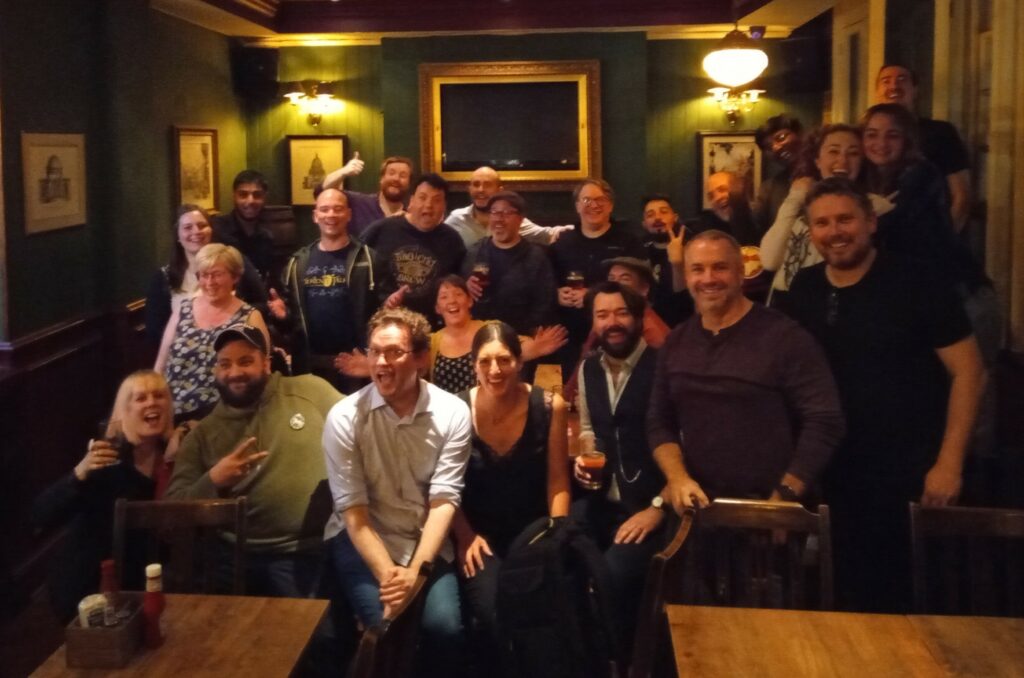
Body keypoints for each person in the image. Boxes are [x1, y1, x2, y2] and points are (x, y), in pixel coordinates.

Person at [787, 178, 985, 612]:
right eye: (822, 223)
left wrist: (949, 463)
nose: (834, 231)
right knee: (845, 593)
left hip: (912, 470)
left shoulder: (918, 280)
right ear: (810, 230)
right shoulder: (804, 288)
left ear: (870, 222)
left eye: (845, 219)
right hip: (836, 471)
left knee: (913, 598)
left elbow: (970, 372)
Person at [648, 230, 845, 513]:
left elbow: (825, 421)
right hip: (697, 510)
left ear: (741, 273)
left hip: (768, 513)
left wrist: (785, 496)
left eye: (720, 267)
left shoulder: (785, 337)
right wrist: (677, 479)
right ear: (687, 276)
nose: (708, 278)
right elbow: (658, 421)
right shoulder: (676, 341)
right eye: (697, 269)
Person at [323, 307, 471, 678]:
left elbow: (443, 501)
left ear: (421, 359)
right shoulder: (345, 417)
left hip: (424, 540)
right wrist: (394, 578)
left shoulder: (452, 412)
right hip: (363, 538)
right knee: (391, 628)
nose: (381, 362)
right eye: (374, 351)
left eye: (394, 352)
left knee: (446, 630)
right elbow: (354, 514)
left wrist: (417, 571)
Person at [165, 323, 342, 596]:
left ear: (266, 364)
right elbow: (172, 511)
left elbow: (364, 426)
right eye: (225, 364)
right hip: (233, 556)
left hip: (305, 552)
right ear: (215, 371)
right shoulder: (201, 435)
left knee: (321, 638)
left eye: (245, 361)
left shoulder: (311, 391)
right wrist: (213, 480)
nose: (234, 372)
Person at [451, 321, 570, 665]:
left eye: (504, 360)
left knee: (538, 609)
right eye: (485, 361)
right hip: (478, 537)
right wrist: (464, 536)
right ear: (473, 365)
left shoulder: (550, 406)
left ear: (519, 362)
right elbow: (445, 486)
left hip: (533, 532)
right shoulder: (456, 410)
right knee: (494, 611)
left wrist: (557, 534)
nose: (494, 370)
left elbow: (558, 482)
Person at [32, 371, 179, 619]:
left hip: (144, 584)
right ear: (124, 411)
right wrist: (79, 473)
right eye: (140, 398)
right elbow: (40, 515)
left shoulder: (173, 452)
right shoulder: (106, 458)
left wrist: (186, 428)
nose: (152, 402)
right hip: (91, 586)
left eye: (159, 396)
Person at [571, 282, 667, 663]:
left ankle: (632, 662)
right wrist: (583, 460)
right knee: (556, 556)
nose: (612, 323)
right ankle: (583, 660)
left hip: (650, 507)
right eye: (602, 314)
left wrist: (659, 506)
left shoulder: (663, 365)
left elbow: (684, 446)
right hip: (601, 501)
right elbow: (589, 430)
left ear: (640, 318)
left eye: (621, 313)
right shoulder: (588, 367)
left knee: (612, 573)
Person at [759, 124, 893, 308]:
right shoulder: (799, 201)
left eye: (853, 153)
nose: (842, 160)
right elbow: (769, 260)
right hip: (782, 302)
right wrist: (795, 198)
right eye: (833, 151)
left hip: (829, 303)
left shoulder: (875, 207)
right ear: (817, 160)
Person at [269, 187, 375, 394]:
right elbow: (291, 327)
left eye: (338, 209)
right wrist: (283, 316)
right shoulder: (297, 263)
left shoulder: (369, 260)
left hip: (356, 367)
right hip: (310, 367)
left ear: (349, 214)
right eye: (324, 210)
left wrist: (369, 359)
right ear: (315, 216)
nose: (331, 215)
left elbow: (380, 317)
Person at [155, 244, 269, 417]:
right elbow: (161, 365)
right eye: (204, 275)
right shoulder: (183, 310)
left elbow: (263, 372)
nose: (209, 283)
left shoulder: (250, 316)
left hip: (227, 417)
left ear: (235, 277)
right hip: (175, 415)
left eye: (217, 274)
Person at [549, 178, 646, 378]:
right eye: (586, 200)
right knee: (576, 395)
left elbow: (638, 289)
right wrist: (556, 294)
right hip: (573, 338)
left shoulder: (629, 242)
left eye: (600, 200)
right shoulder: (562, 243)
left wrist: (591, 295)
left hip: (617, 334)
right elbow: (547, 282)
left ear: (610, 205)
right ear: (577, 206)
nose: (593, 205)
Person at [145, 204, 267, 345]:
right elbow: (155, 332)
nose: (196, 231)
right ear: (177, 236)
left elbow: (262, 303)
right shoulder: (163, 278)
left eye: (202, 225)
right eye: (187, 227)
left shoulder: (235, 263)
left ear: (211, 231)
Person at [875, 64, 971, 230]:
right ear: (877, 92)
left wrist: (944, 240)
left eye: (902, 79)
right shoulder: (865, 135)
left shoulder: (941, 132)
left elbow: (961, 195)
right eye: (886, 81)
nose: (894, 85)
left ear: (915, 89)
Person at [360, 173, 467, 322]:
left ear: (444, 207)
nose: (428, 205)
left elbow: (458, 286)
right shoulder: (381, 230)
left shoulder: (453, 241)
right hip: (384, 324)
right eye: (422, 198)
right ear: (411, 201)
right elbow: (357, 276)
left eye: (436, 200)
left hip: (431, 329)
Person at [461, 191, 559, 335]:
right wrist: (465, 287)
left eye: (506, 213)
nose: (499, 219)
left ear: (520, 219)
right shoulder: (475, 252)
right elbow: (458, 293)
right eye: (494, 212)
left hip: (522, 338)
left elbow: (545, 306)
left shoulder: (536, 257)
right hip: (478, 336)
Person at [444, 166, 572, 247]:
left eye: (487, 185)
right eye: (476, 184)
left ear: (500, 190)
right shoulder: (456, 219)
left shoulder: (512, 220)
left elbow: (547, 234)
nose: (480, 190)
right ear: (469, 189)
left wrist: (578, 229)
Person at [321, 153, 413, 237]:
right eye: (391, 173)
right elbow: (327, 190)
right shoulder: (359, 203)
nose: (396, 178)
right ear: (381, 179)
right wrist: (344, 171)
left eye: (403, 175)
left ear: (409, 183)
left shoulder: (411, 215)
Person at [638, 194, 693, 327]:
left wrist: (677, 263)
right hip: (647, 327)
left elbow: (685, 299)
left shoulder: (692, 249)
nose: (657, 218)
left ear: (675, 218)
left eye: (663, 212)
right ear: (644, 224)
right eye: (650, 215)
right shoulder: (639, 252)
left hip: (683, 325)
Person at [213, 170, 275, 280]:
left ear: (265, 197)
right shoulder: (217, 231)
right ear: (234, 196)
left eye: (257, 195)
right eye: (243, 195)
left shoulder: (267, 237)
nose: (250, 201)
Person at [753, 114, 804, 231]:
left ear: (800, 134)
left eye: (781, 138)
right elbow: (756, 234)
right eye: (768, 147)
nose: (776, 147)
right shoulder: (769, 189)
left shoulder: (826, 174)